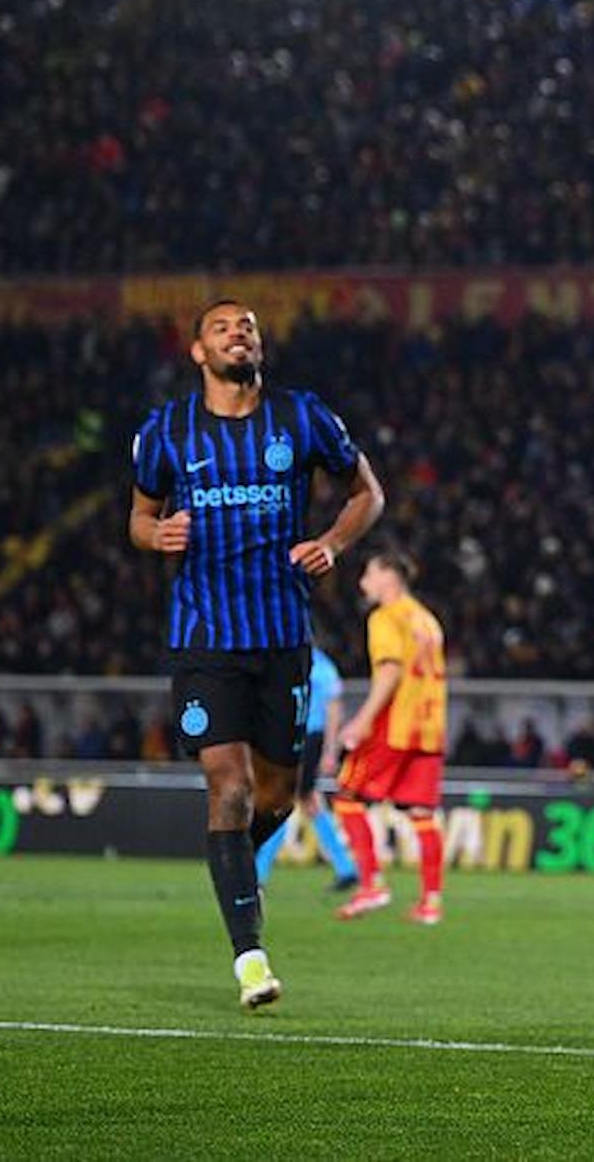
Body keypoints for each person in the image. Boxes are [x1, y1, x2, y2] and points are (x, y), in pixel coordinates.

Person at [128, 298, 384, 1008]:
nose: (237, 333)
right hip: (205, 638)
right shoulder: (166, 430)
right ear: (198, 352)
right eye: (221, 327)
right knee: (231, 787)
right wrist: (157, 535)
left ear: (260, 346)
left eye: (247, 326)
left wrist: (332, 542)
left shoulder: (301, 417)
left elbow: (368, 494)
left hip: (282, 636)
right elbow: (139, 517)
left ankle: (232, 866)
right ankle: (250, 957)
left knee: (274, 796)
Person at [333, 552, 449, 926]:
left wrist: (362, 720)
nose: (363, 582)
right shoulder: (427, 619)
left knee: (347, 797)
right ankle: (431, 903)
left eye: (369, 573)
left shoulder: (386, 616)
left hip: (395, 723)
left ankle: (372, 885)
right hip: (430, 728)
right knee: (422, 814)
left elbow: (390, 671)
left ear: (389, 576)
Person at [253, 637, 360, 892]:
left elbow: (334, 708)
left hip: (308, 737)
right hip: (297, 737)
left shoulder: (317, 666)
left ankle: (258, 872)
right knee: (308, 800)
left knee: (283, 800)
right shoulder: (305, 663)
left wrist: (330, 751)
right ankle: (346, 868)